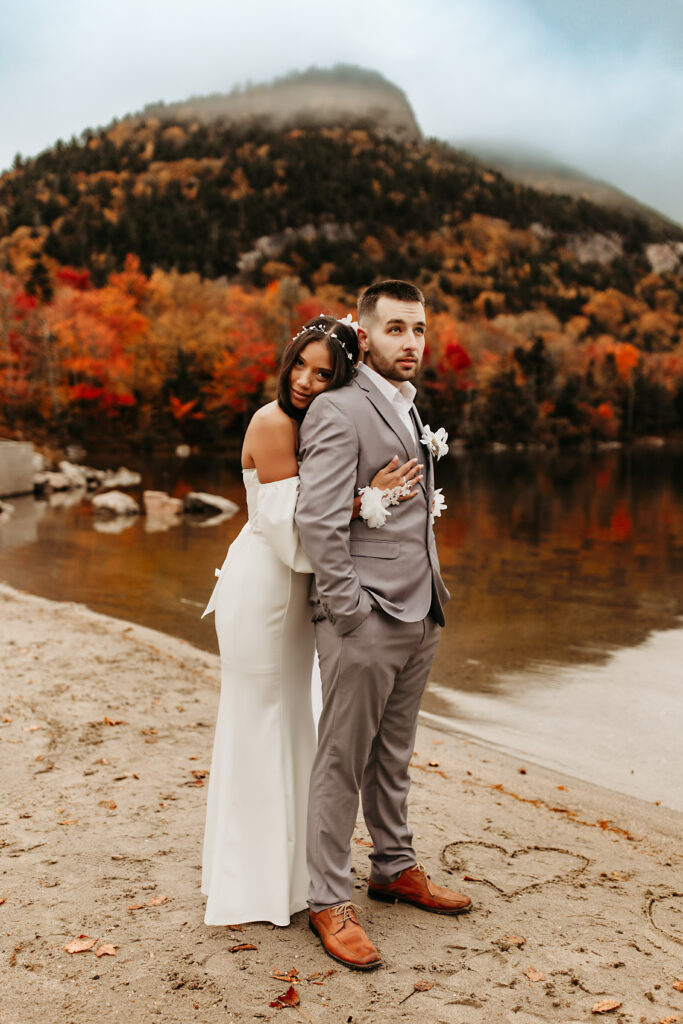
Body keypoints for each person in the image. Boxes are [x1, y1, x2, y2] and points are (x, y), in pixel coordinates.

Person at [200, 314, 422, 928]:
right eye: (299, 363)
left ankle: (295, 873)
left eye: (323, 373)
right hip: (266, 587)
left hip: (298, 592)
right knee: (263, 721)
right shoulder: (272, 424)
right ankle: (253, 881)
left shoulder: (318, 425)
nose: (304, 380)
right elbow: (296, 538)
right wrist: (364, 500)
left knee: (297, 720)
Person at [295, 280, 472, 970]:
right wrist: (348, 610)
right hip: (363, 615)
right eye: (395, 329)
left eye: (419, 329)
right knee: (342, 759)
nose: (411, 342)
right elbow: (316, 518)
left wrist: (430, 599)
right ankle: (327, 899)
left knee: (392, 755)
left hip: (421, 608)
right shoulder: (340, 408)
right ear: (364, 336)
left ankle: (393, 868)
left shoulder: (408, 407)